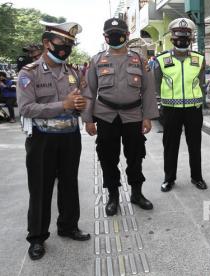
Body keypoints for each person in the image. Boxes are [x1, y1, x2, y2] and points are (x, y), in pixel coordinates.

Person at [16, 20, 90, 261]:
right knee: (41, 188)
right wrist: (63, 105)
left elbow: (79, 103)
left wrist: (79, 106)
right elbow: (26, 108)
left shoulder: (73, 72)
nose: (66, 48)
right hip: (42, 139)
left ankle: (68, 226)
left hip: (70, 137)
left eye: (70, 44)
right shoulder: (29, 73)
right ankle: (37, 237)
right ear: (47, 43)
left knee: (69, 184)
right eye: (62, 43)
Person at [81, 18, 159, 214]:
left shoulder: (139, 60)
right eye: (111, 33)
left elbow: (148, 91)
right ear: (105, 36)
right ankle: (113, 196)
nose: (115, 37)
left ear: (127, 35)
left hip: (133, 115)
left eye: (119, 33)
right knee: (108, 157)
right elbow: (89, 91)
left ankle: (137, 193)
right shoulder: (97, 60)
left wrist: (148, 116)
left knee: (135, 156)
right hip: (106, 116)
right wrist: (88, 119)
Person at [154, 18, 208, 192]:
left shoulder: (199, 59)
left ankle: (197, 177)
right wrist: (160, 106)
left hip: (193, 110)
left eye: (186, 38)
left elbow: (200, 83)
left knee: (195, 145)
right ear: (172, 39)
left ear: (190, 39)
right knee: (170, 146)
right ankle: (169, 178)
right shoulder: (161, 60)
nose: (182, 41)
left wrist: (200, 102)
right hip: (170, 110)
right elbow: (156, 85)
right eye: (178, 38)